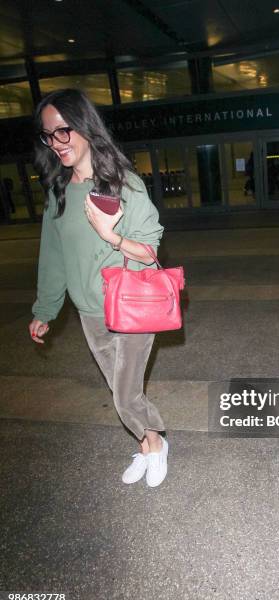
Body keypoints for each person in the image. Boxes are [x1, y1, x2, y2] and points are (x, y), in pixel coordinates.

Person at [30, 89, 168, 485]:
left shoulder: (124, 186)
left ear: (86, 127)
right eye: (48, 135)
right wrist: (45, 311)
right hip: (91, 313)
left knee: (125, 396)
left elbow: (150, 254)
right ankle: (148, 443)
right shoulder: (58, 194)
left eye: (63, 131)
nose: (56, 143)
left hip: (131, 307)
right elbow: (52, 258)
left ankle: (155, 444)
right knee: (121, 391)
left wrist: (112, 236)